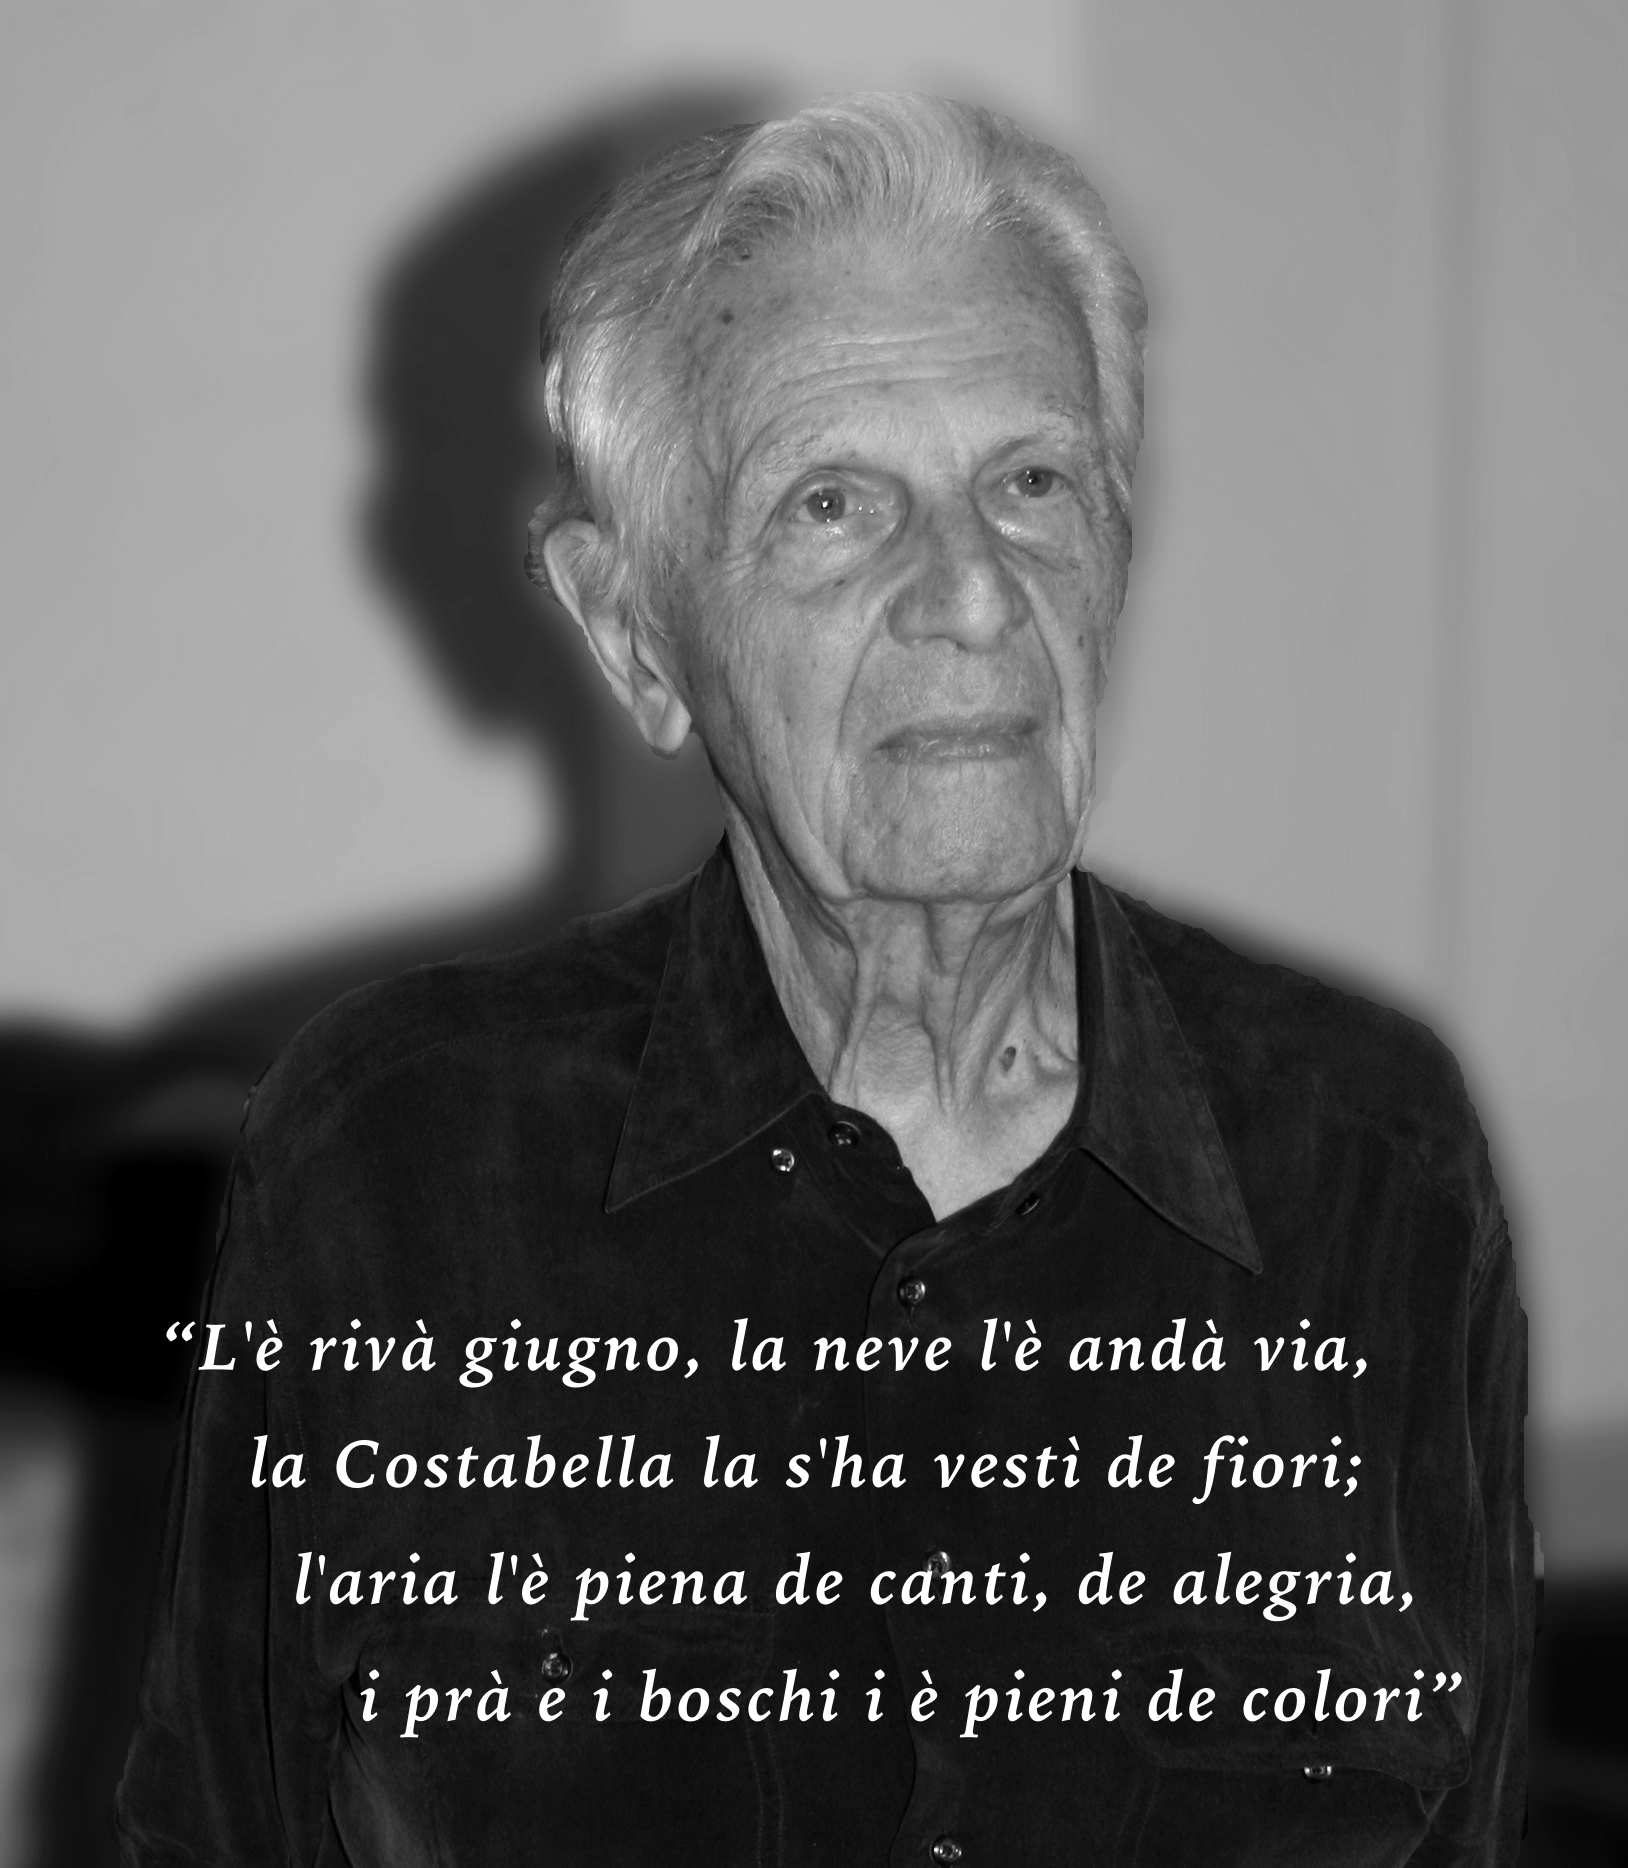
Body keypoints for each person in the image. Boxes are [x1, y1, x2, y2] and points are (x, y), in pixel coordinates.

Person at [116, 95, 1531, 1865]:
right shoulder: (396, 1163)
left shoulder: (1374, 1167)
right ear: (637, 634)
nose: (973, 596)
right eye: (834, 505)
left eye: (1032, 484)